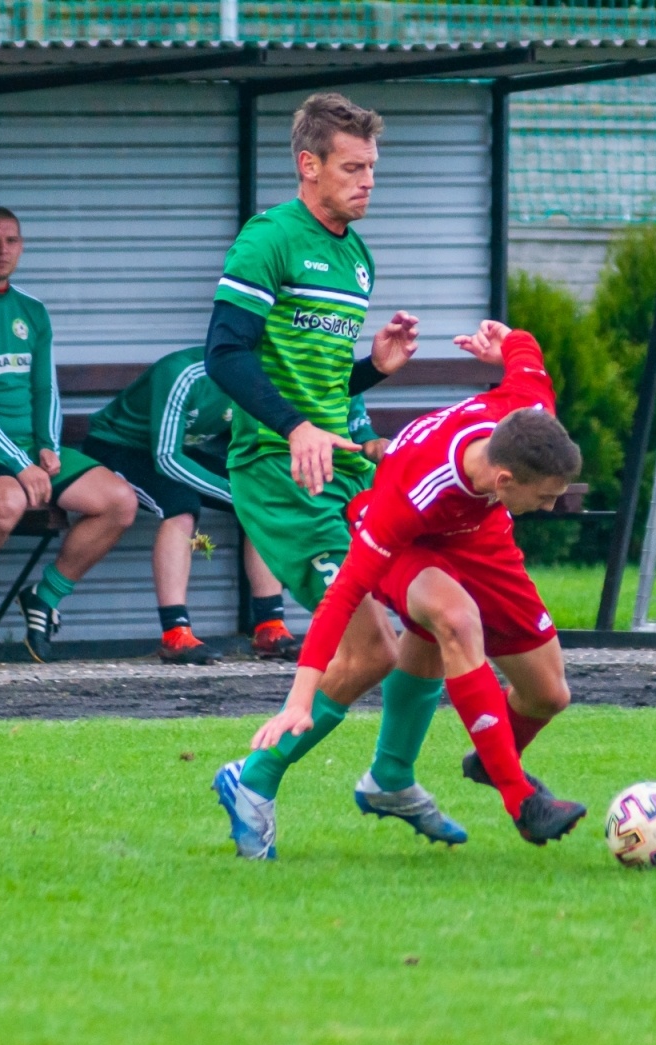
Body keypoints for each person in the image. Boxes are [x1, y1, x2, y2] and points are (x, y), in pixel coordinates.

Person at [205, 92, 462, 857]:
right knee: (373, 651)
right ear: (307, 165)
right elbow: (225, 355)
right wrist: (293, 429)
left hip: (340, 467)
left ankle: (387, 773)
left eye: (373, 168)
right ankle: (256, 777)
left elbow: (314, 387)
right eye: (352, 168)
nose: (367, 182)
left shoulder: (355, 254)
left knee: (429, 617)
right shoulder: (268, 241)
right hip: (277, 472)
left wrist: (372, 374)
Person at [251, 321, 587, 850]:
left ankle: (472, 762)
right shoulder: (412, 491)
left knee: (548, 693)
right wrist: (297, 699)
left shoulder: (530, 411)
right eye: (544, 497)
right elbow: (342, 597)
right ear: (504, 480)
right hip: (410, 543)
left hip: (480, 532)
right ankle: (520, 798)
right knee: (452, 617)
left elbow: (527, 353)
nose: (549, 509)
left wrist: (504, 340)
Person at [0, 206, 139, 664]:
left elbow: (45, 388)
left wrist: (47, 448)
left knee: (120, 502)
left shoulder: (32, 310)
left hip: (23, 450)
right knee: (7, 503)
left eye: (12, 241)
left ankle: (46, 596)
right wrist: (18, 464)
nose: (2, 250)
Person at [81, 346, 386, 663]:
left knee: (264, 498)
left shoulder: (274, 377)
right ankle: (175, 633)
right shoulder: (186, 373)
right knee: (180, 507)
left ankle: (270, 627)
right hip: (122, 446)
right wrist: (238, 493)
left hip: (184, 450)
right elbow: (167, 459)